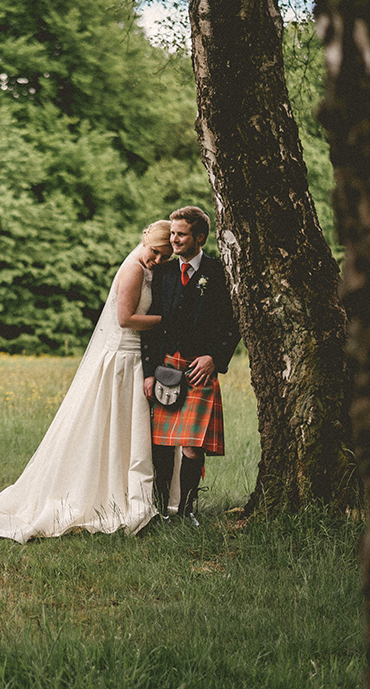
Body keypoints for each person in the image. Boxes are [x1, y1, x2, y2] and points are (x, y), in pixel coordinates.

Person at [0, 221, 175, 542]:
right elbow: (125, 318)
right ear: (146, 242)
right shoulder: (132, 269)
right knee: (109, 425)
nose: (158, 260)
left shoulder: (148, 269)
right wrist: (171, 321)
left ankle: (127, 491)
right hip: (121, 359)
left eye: (165, 256)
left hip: (132, 359)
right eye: (156, 252)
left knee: (124, 429)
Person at [141, 206, 240, 526]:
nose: (174, 239)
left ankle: (187, 510)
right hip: (168, 368)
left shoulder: (219, 271)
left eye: (180, 234)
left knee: (193, 447)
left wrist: (215, 358)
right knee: (161, 446)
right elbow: (153, 326)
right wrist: (148, 371)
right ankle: (159, 509)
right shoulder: (165, 273)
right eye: (172, 233)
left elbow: (234, 323)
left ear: (199, 237)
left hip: (200, 370)